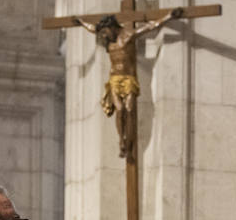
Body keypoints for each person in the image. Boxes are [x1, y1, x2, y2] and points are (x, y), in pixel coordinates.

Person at [74, 9, 185, 162]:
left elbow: (150, 26)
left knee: (130, 109)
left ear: (113, 27)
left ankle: (130, 142)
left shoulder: (128, 35)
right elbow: (92, 28)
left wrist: (169, 16)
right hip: (114, 79)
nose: (105, 36)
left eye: (106, 31)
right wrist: (80, 21)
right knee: (119, 109)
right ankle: (122, 141)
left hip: (128, 79)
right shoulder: (108, 39)